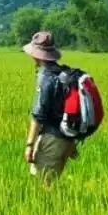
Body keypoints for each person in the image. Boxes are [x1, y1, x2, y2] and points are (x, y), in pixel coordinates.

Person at [22, 31, 78, 186]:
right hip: (65, 139)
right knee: (51, 183)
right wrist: (71, 142)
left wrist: (29, 145)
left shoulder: (46, 78)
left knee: (45, 186)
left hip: (52, 140)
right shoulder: (63, 74)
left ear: (36, 55)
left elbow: (38, 115)